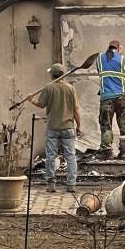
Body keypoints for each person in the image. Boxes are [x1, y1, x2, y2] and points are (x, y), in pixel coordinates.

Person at [30, 63, 82, 192]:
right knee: (70, 157)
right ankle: (71, 185)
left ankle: (51, 185)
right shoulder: (71, 89)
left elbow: (41, 104)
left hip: (53, 127)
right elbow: (75, 110)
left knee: (51, 156)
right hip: (68, 127)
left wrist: (31, 99)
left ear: (52, 75)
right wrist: (79, 126)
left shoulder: (48, 88)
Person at [96, 39, 125, 159]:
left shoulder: (99, 59)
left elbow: (101, 73)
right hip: (122, 98)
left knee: (106, 125)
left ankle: (106, 152)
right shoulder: (124, 60)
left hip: (106, 98)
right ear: (119, 48)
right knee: (124, 125)